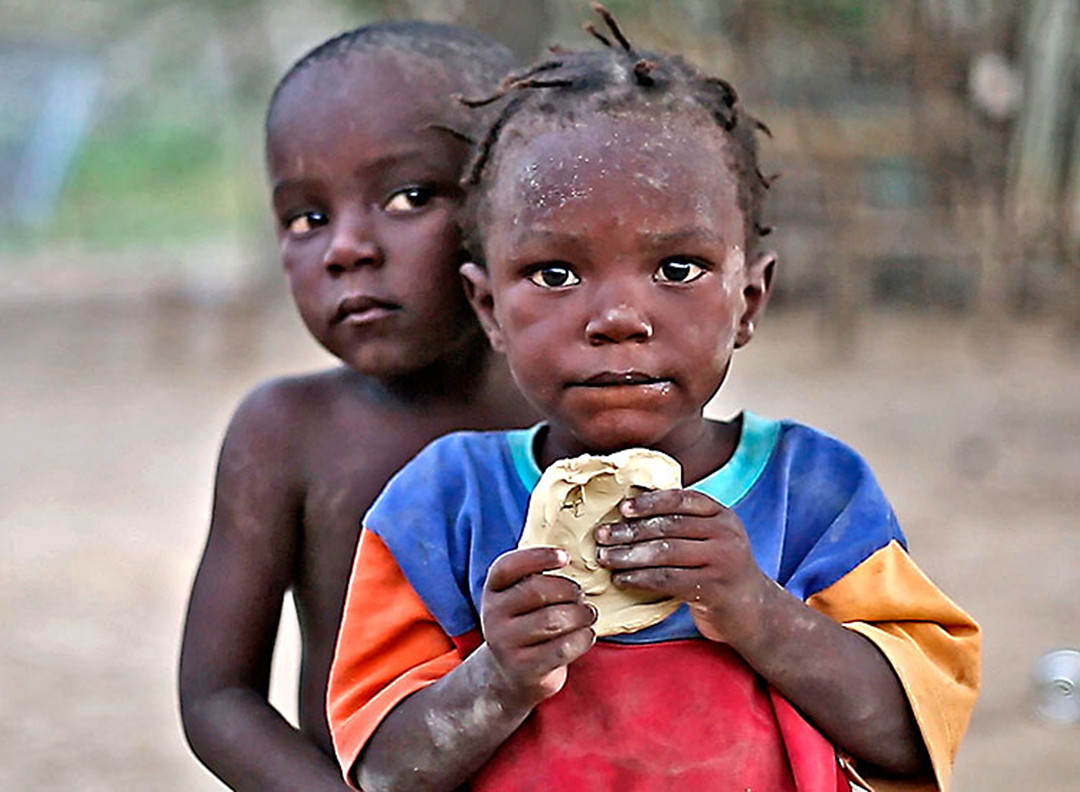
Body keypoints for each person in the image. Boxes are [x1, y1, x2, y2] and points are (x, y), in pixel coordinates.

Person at [326, 8, 980, 792]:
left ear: (749, 299)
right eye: (557, 274)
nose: (618, 318)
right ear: (488, 308)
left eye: (677, 268)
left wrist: (754, 609)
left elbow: (915, 733)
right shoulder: (442, 507)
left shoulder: (815, 493)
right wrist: (497, 679)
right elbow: (382, 773)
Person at [178, 22, 533, 792]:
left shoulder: (581, 414)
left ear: (513, 204)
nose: (345, 247)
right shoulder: (286, 435)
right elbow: (216, 696)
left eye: (408, 197)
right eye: (306, 217)